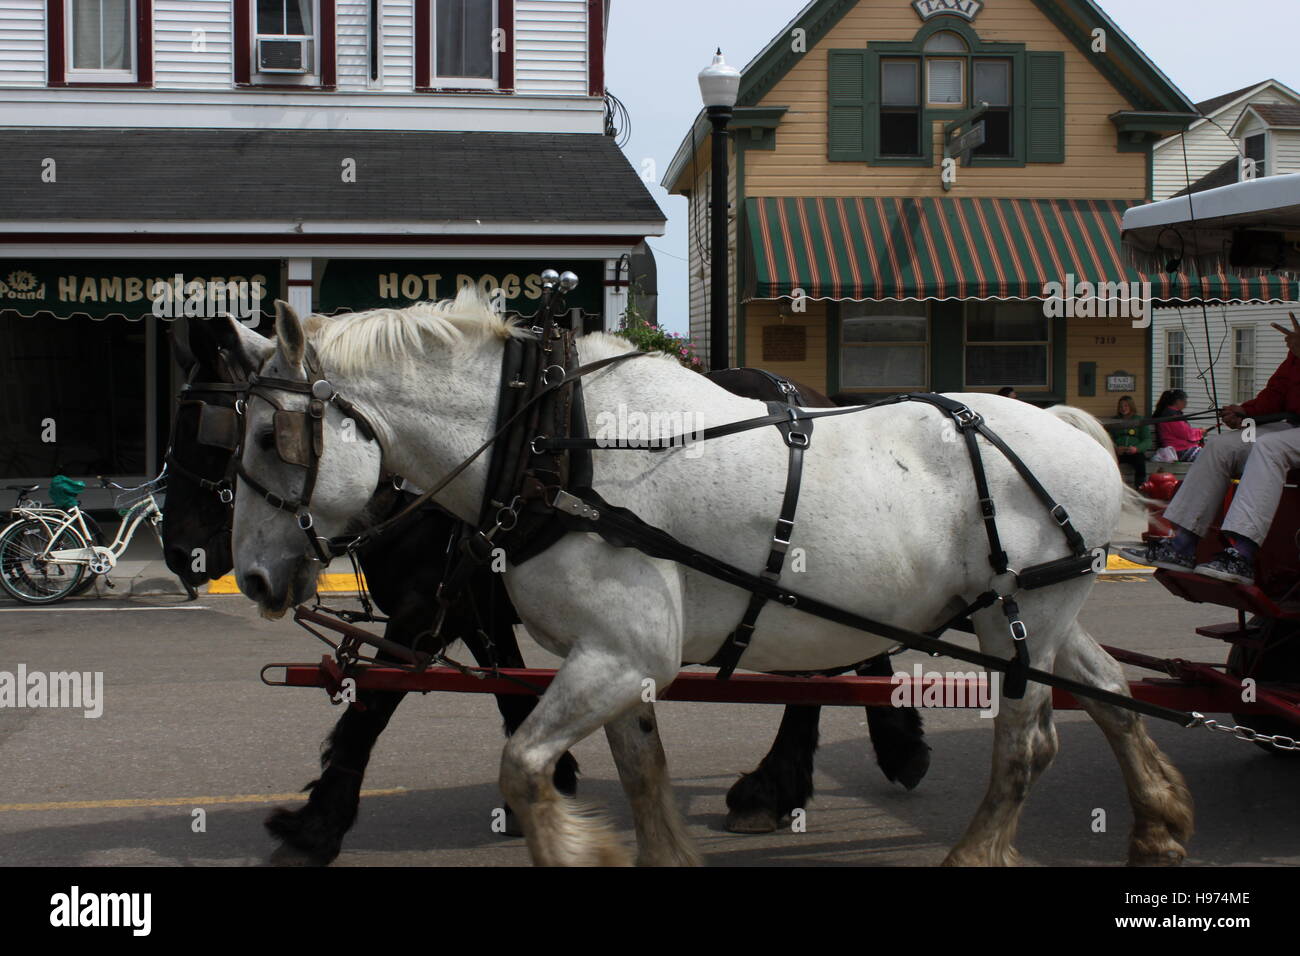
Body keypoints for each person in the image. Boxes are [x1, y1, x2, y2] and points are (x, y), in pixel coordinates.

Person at [1123, 313, 1300, 585]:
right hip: (1292, 428)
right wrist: (1245, 411)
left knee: (1268, 447)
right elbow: (1277, 394)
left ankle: (1242, 553)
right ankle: (1182, 545)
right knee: (1221, 445)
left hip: (1286, 435)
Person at [1107, 395, 1151, 488]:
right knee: (1109, 462)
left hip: (1134, 452)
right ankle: (1113, 487)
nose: (1123, 408)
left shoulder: (1139, 420)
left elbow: (1147, 440)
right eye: (1121, 406)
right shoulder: (1114, 421)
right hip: (1119, 452)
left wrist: (1136, 448)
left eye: (1126, 406)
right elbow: (1109, 438)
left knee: (1140, 461)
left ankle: (1139, 488)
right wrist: (1115, 448)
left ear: (1131, 406)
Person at [1152, 389, 1203, 461]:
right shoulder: (1171, 415)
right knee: (1209, 457)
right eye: (1185, 400)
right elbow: (1186, 434)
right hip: (1177, 450)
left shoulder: (1173, 413)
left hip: (1182, 448)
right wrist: (1200, 432)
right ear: (1178, 401)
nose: (1186, 403)